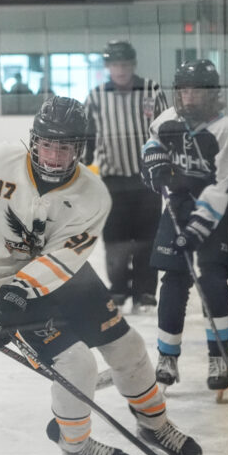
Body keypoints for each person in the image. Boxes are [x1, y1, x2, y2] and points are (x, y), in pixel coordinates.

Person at [0, 96, 202, 455]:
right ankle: (75, 443)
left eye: (63, 148)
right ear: (33, 140)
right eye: (47, 144)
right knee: (77, 363)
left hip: (64, 276)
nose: (52, 156)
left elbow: (63, 258)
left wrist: (20, 294)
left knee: (127, 346)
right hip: (2, 277)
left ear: (78, 150)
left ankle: (153, 423)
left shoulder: (93, 194)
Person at [141, 59, 228, 391]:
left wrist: (197, 230)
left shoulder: (225, 129)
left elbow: (221, 184)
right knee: (173, 279)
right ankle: (167, 356)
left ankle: (218, 357)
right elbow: (151, 149)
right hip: (178, 206)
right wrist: (154, 166)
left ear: (211, 94)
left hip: (215, 213)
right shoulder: (166, 121)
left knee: (212, 281)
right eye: (183, 89)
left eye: (196, 90)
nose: (188, 96)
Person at [83, 39, 169, 315]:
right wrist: (80, 172)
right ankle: (118, 288)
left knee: (147, 240)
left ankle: (145, 292)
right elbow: (88, 137)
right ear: (108, 66)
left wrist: (168, 168)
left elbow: (166, 129)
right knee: (116, 241)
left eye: (124, 64)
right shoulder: (96, 96)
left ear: (132, 65)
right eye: (115, 64)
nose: (120, 69)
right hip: (113, 182)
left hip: (147, 180)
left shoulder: (151, 89)